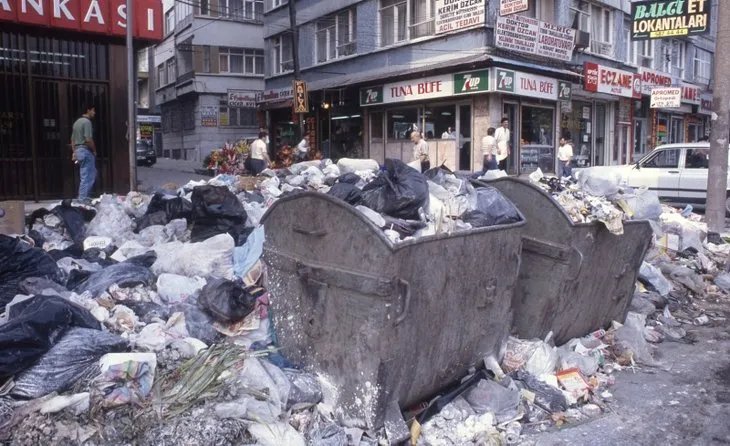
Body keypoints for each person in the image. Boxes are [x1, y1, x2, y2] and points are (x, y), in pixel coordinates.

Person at [70, 104, 97, 202]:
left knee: (86, 175)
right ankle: (82, 199)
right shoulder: (87, 122)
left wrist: (74, 152)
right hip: (85, 150)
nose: (94, 113)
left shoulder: (76, 122)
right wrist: (94, 150)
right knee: (88, 176)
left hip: (78, 151)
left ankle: (83, 197)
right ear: (88, 110)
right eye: (93, 110)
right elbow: (88, 139)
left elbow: (72, 140)